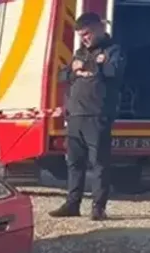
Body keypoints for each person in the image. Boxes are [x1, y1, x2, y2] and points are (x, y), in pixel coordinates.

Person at [49, 13, 125, 221]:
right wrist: (75, 70)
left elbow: (115, 74)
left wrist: (98, 65)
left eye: (87, 34)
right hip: (75, 115)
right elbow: (62, 76)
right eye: (81, 35)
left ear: (99, 28)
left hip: (97, 114)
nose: (84, 38)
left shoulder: (113, 50)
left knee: (99, 163)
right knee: (74, 163)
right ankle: (72, 204)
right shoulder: (80, 53)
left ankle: (98, 208)